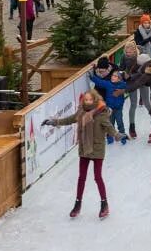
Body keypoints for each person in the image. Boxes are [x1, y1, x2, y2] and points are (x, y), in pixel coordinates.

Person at [42, 89, 125, 219]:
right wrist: (55, 122)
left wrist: (116, 134)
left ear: (95, 100)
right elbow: (69, 119)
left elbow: (109, 127)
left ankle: (104, 204)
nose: (87, 102)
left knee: (98, 177)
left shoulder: (101, 113)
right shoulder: (81, 112)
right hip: (84, 149)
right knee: (81, 177)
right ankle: (77, 204)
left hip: (97, 148)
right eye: (85, 100)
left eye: (90, 100)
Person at [118, 41, 150, 139]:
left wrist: (131, 76)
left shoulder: (141, 57)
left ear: (134, 51)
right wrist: (123, 74)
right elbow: (121, 68)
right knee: (133, 104)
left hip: (141, 80)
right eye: (126, 52)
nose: (127, 54)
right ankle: (132, 127)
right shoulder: (123, 57)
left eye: (129, 53)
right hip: (130, 82)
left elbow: (143, 71)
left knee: (146, 102)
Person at [89, 69, 128, 145]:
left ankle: (122, 137)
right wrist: (92, 76)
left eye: (115, 76)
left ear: (119, 78)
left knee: (120, 122)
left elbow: (129, 85)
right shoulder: (108, 84)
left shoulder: (123, 85)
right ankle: (110, 138)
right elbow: (99, 82)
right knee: (110, 123)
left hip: (118, 108)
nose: (112, 77)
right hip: (109, 109)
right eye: (112, 75)